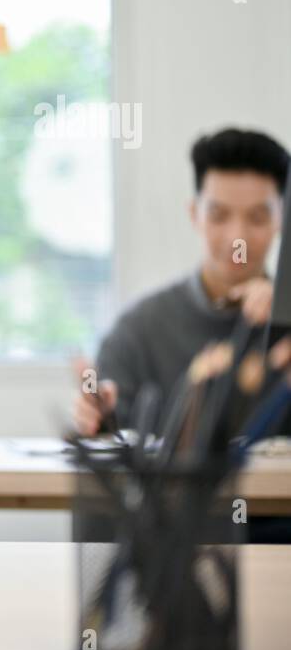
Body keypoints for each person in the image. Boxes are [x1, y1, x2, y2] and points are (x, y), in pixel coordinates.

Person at [72, 128, 288, 437]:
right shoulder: (138, 331)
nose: (236, 238)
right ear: (194, 214)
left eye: (256, 218)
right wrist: (97, 420)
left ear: (282, 219)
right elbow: (105, 434)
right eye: (219, 215)